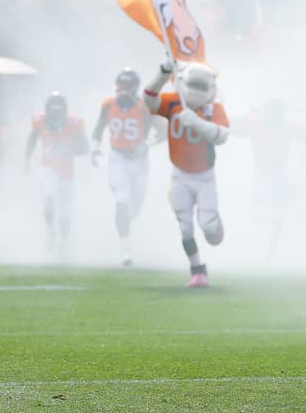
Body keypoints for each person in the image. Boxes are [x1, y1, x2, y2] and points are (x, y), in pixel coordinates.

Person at [145, 61, 230, 287]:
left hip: (204, 177)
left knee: (210, 230)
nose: (197, 91)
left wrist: (198, 123)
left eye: (202, 87)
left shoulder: (213, 109)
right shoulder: (174, 102)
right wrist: (161, 74)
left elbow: (222, 136)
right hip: (180, 175)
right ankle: (197, 270)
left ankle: (213, 221)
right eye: (194, 85)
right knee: (185, 228)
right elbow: (149, 101)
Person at [90, 68, 160, 266]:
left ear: (135, 88)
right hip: (118, 157)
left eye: (128, 87)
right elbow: (99, 126)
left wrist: (147, 144)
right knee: (122, 200)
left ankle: (123, 230)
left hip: (139, 161)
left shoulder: (146, 106)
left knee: (136, 205)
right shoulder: (108, 104)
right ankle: (125, 250)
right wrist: (95, 147)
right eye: (122, 86)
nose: (124, 91)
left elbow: (162, 131)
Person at [24, 92, 89, 256]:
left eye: (58, 111)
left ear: (64, 111)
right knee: (49, 199)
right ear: (47, 111)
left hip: (67, 171)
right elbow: (32, 138)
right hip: (47, 167)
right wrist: (27, 159)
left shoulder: (75, 123)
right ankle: (50, 229)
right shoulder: (39, 121)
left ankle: (65, 242)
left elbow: (85, 147)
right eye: (52, 111)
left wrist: (71, 149)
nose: (55, 115)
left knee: (65, 210)